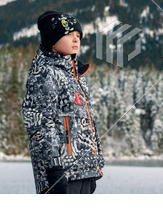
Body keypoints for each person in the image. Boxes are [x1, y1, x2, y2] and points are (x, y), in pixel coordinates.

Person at [22, 11, 104, 194]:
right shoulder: (45, 74)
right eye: (68, 34)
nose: (76, 39)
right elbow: (40, 123)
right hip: (60, 173)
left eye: (78, 35)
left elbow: (88, 123)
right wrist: (53, 168)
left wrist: (95, 164)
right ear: (52, 39)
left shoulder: (77, 76)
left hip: (84, 171)